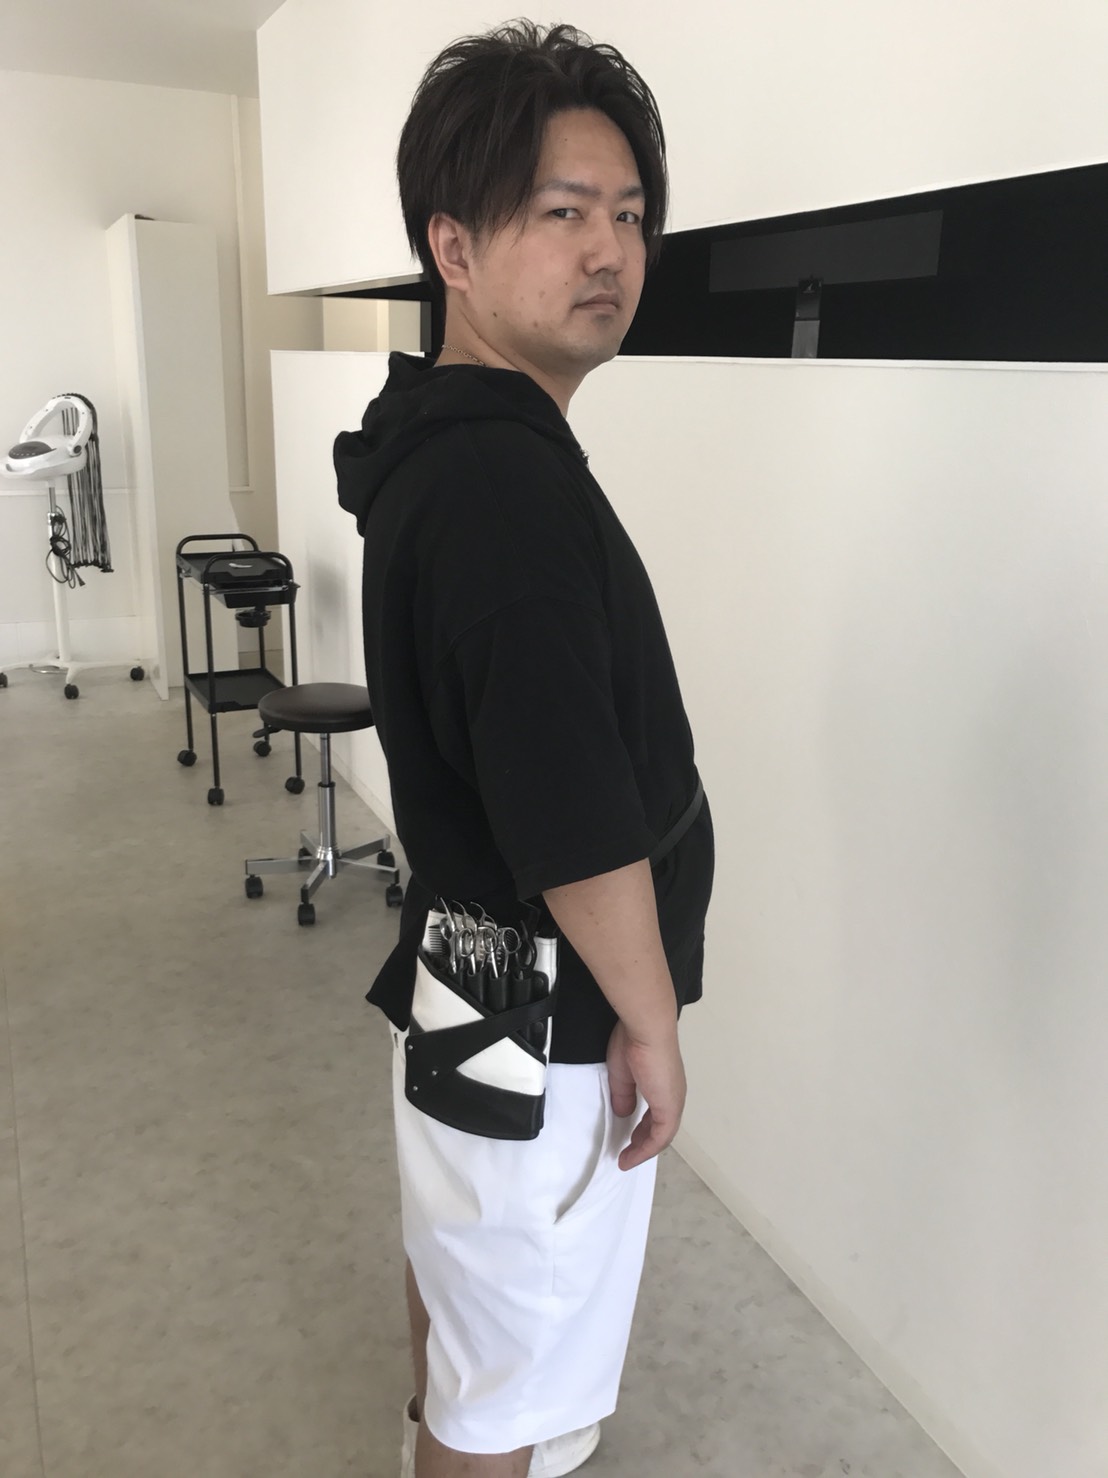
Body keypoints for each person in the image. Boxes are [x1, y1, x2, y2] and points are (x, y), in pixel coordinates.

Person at [334, 21, 714, 1478]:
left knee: (470, 1293)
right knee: (511, 1383)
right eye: (562, 212)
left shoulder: (443, 441)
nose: (609, 250)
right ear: (456, 246)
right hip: (551, 1012)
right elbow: (570, 809)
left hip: (472, 968)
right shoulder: (500, 483)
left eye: (629, 214)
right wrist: (652, 1017)